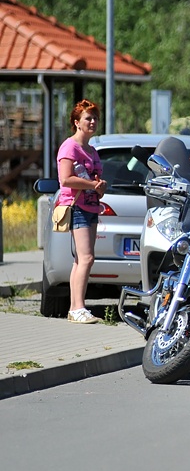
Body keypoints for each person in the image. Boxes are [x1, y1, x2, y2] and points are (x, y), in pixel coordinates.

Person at [56, 99, 107, 323]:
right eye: (88, 118)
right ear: (77, 122)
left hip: (91, 205)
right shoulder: (70, 147)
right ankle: (78, 307)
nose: (93, 122)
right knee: (86, 257)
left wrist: (100, 188)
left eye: (95, 118)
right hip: (76, 206)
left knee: (81, 260)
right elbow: (65, 178)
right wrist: (91, 186)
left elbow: (95, 182)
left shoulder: (92, 150)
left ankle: (75, 308)